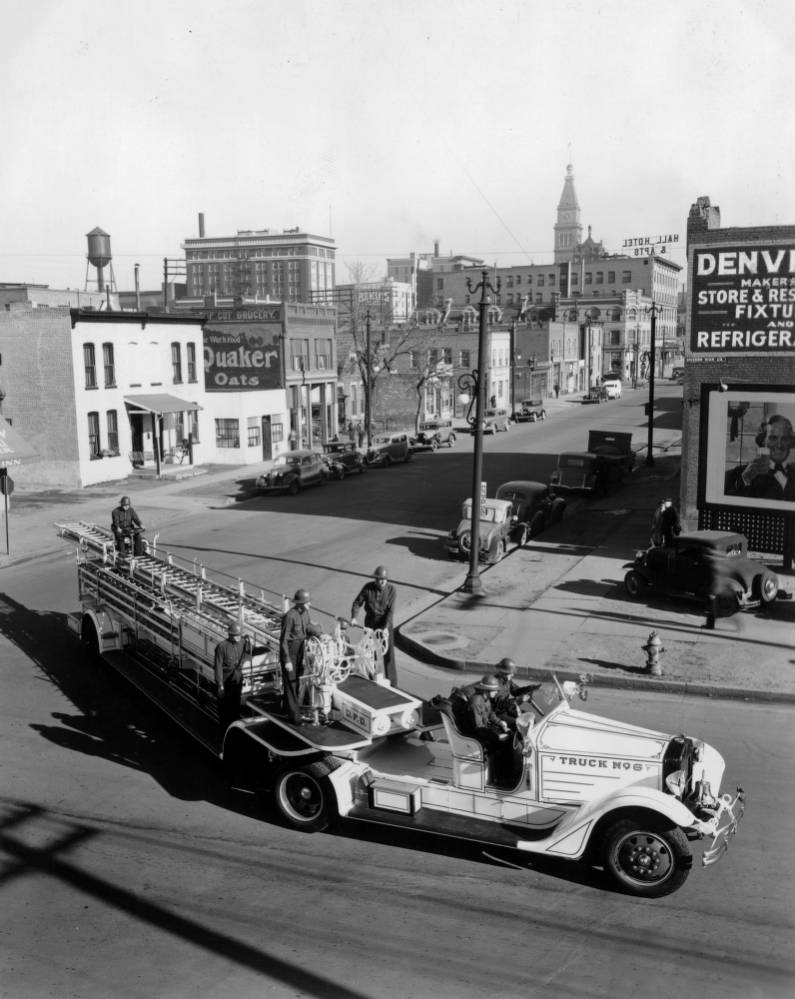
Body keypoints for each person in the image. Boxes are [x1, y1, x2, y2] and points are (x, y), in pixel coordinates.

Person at [724, 415, 795, 500]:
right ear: (763, 441)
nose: (779, 445)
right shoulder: (740, 474)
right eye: (773, 438)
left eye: (784, 439)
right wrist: (745, 479)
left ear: (790, 443)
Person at [279, 589, 322, 723]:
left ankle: (287, 707)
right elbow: (284, 640)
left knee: (296, 680)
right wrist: (287, 660)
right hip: (290, 651)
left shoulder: (305, 613)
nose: (309, 604)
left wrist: (320, 633)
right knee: (291, 683)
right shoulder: (290, 616)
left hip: (300, 650)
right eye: (308, 602)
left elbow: (308, 627)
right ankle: (295, 717)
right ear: (301, 603)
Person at [351, 566, 397, 684]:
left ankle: (393, 683)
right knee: (370, 652)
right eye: (378, 579)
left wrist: (385, 628)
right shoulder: (367, 588)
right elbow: (357, 603)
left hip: (384, 622)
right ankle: (372, 677)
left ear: (387, 579)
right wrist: (354, 618)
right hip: (370, 623)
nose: (381, 581)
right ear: (375, 579)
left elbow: (390, 612)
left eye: (383, 579)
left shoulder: (392, 590)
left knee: (388, 654)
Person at [467, 674, 513, 783]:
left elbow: (490, 713)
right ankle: (497, 776)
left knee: (507, 738)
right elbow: (478, 728)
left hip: (484, 729)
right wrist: (496, 736)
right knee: (501, 745)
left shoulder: (486, 699)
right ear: (486, 691)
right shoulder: (476, 703)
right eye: (495, 690)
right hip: (475, 735)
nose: (497, 692)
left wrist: (500, 722)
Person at [214, 620, 248, 736]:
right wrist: (220, 685)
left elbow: (249, 652)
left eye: (239, 635)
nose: (238, 638)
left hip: (237, 680)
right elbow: (218, 666)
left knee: (235, 707)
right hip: (225, 680)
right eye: (235, 636)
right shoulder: (222, 647)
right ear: (230, 635)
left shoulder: (243, 642)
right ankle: (224, 733)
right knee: (224, 710)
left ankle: (235, 730)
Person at [493, 657, 541, 725]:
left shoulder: (507, 680)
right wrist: (520, 699)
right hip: (498, 713)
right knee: (519, 724)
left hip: (508, 709)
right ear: (503, 673)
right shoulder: (495, 684)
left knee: (531, 718)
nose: (512, 675)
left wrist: (529, 688)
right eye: (510, 673)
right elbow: (501, 704)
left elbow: (515, 691)